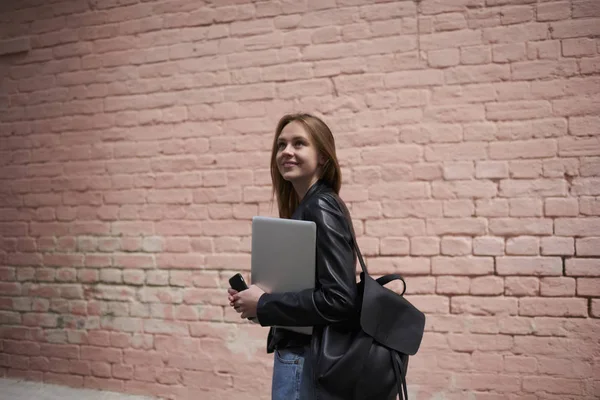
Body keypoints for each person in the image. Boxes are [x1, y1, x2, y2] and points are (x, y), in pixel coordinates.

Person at [228, 113, 359, 400]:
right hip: (302, 356)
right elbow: (310, 289)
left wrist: (264, 304)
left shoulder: (320, 207)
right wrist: (258, 298)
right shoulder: (309, 206)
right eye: (281, 145)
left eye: (299, 144)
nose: (286, 151)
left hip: (305, 359)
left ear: (323, 157)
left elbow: (339, 299)